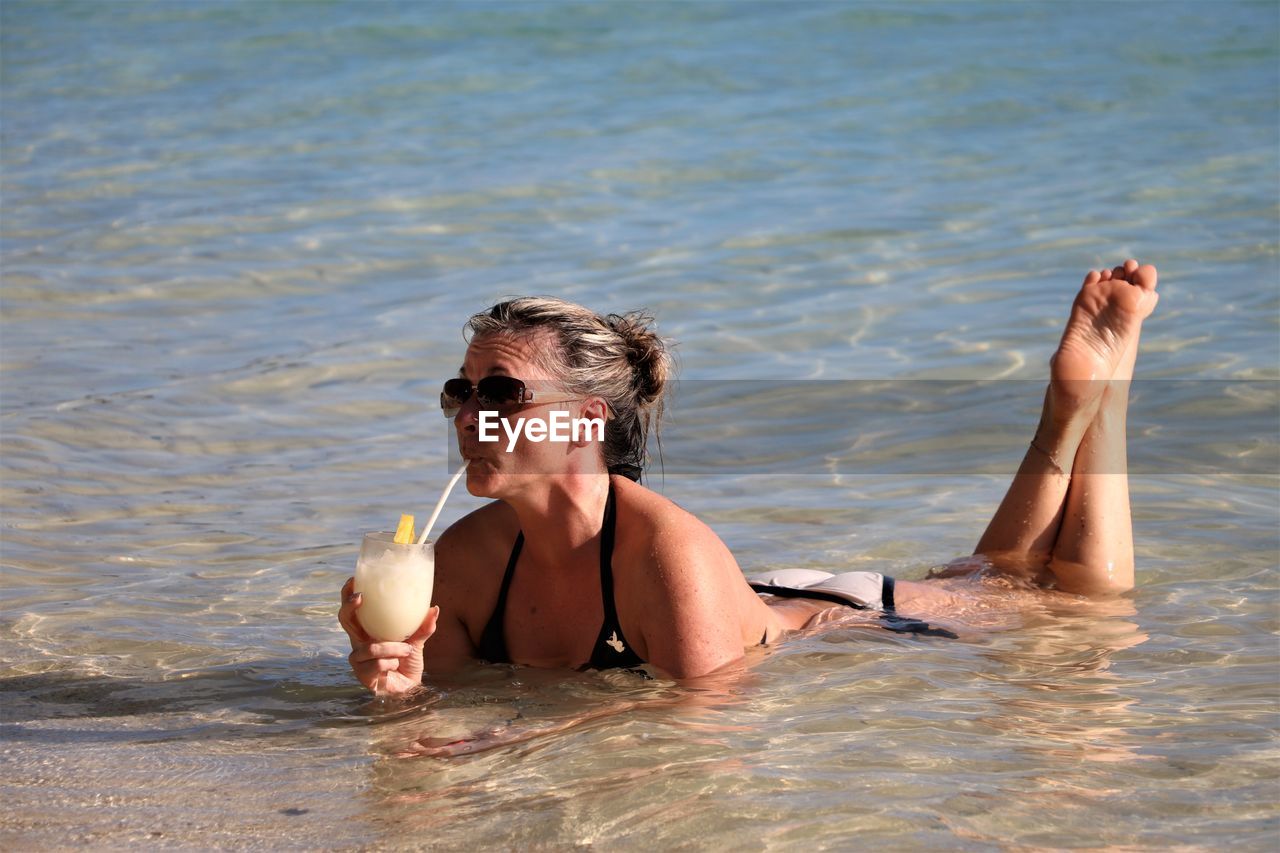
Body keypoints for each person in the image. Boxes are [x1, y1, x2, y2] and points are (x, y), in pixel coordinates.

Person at [340, 260, 1159, 692]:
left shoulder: (664, 550)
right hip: (756, 594)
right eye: (461, 390)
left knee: (1068, 597)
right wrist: (391, 682)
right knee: (1003, 574)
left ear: (587, 419)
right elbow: (428, 731)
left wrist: (523, 740)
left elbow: (706, 730)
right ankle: (1068, 413)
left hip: (844, 618)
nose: (468, 413)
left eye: (501, 394)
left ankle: (1100, 400)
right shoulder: (463, 559)